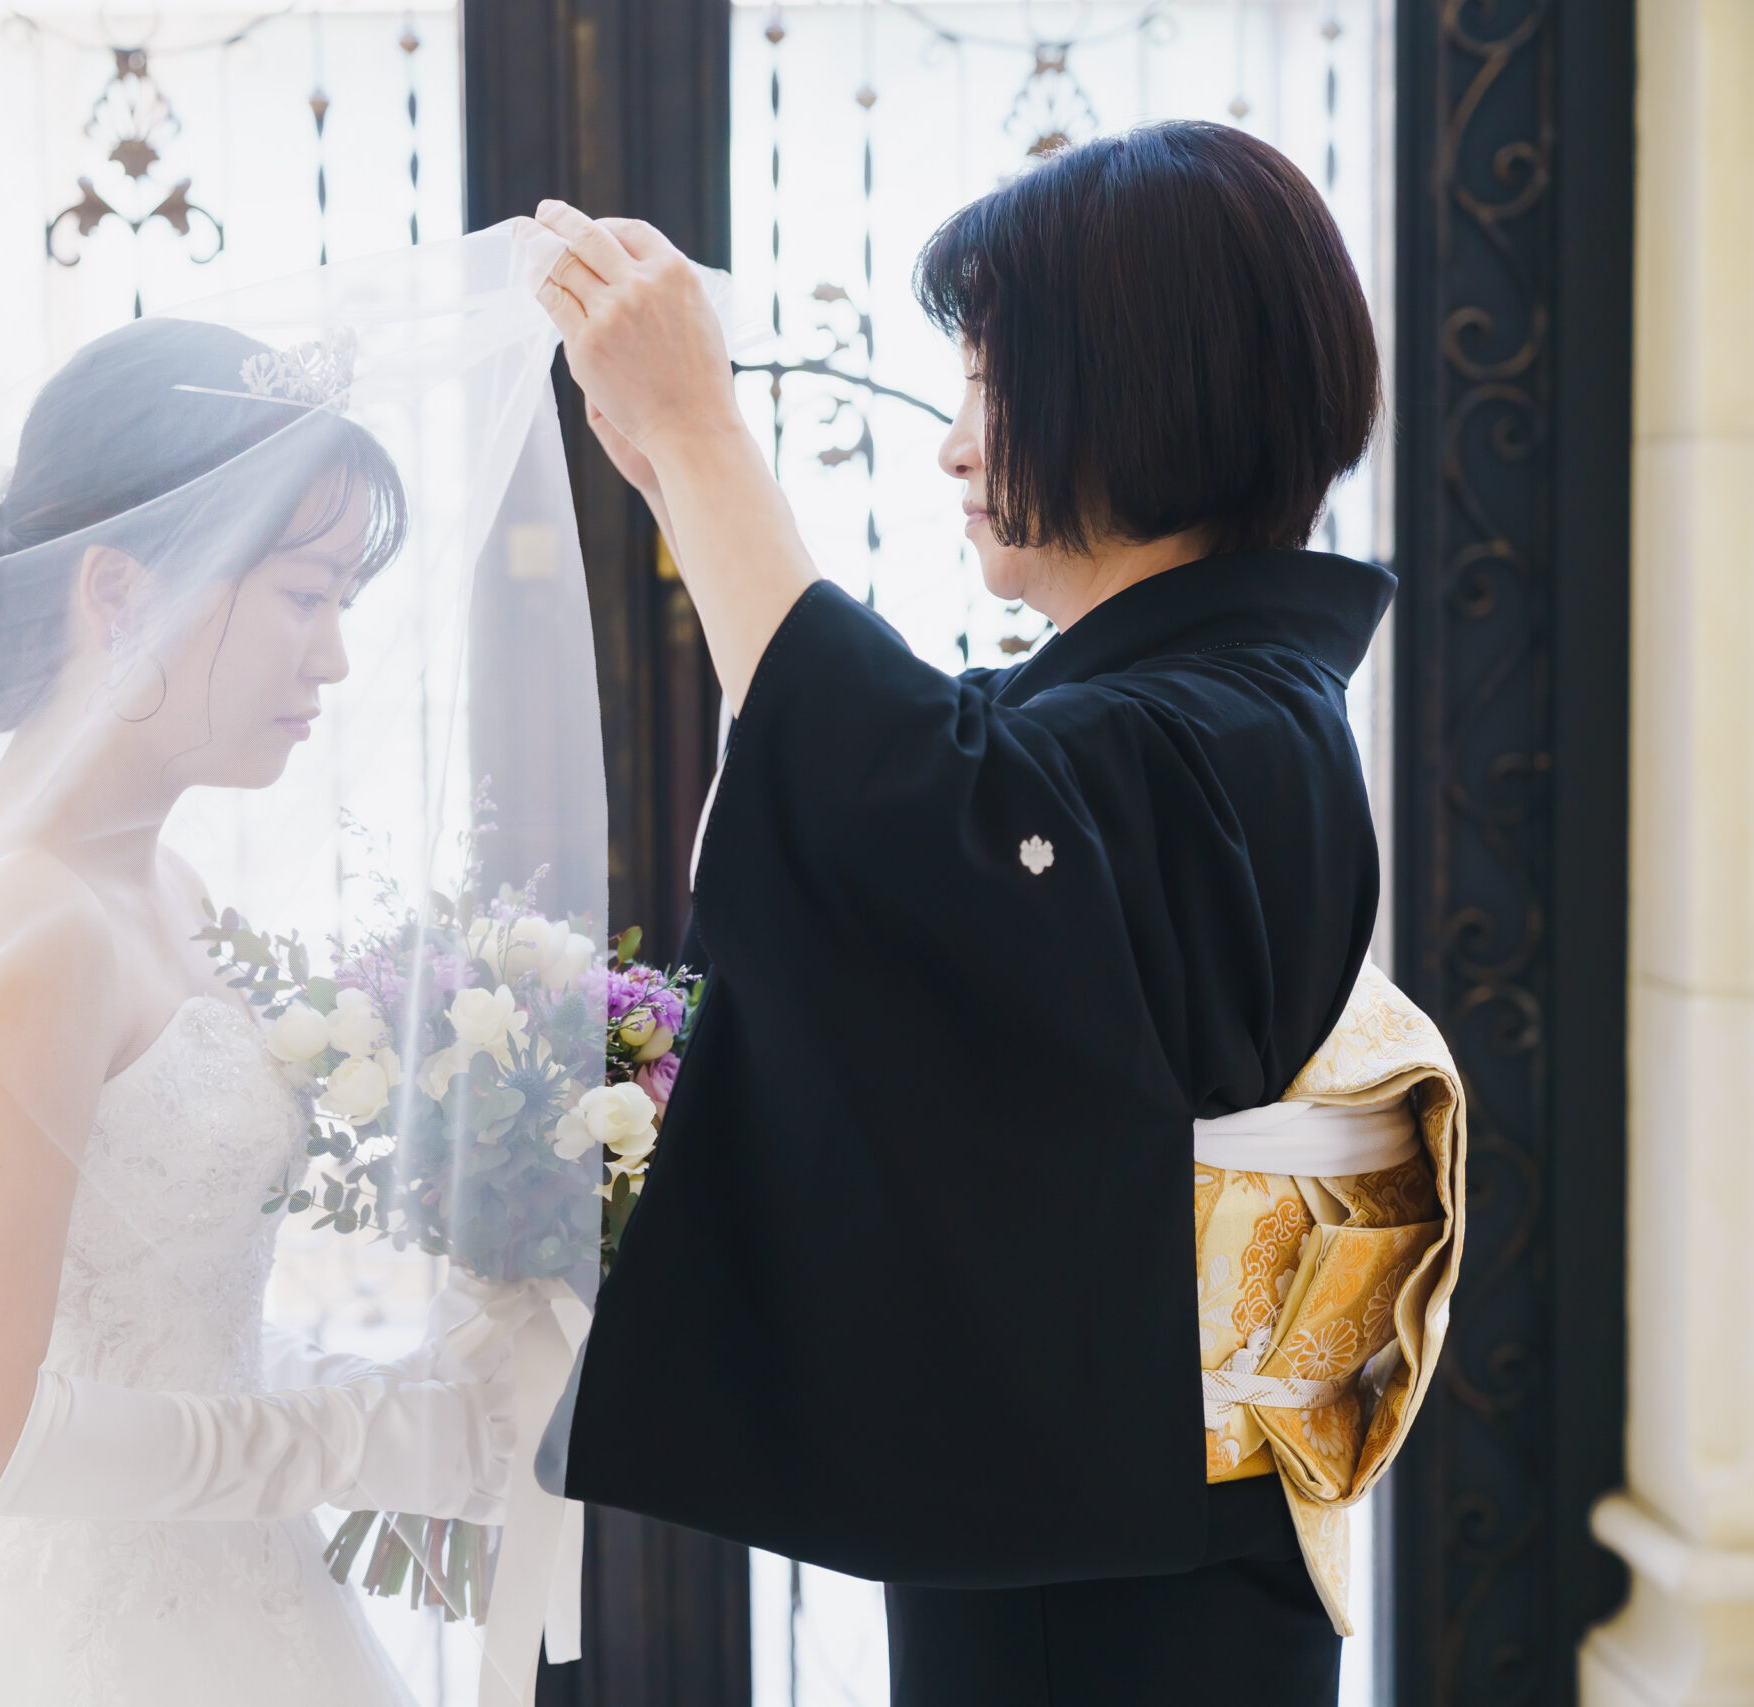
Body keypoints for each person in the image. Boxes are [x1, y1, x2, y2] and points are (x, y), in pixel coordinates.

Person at [522, 122, 1463, 1705]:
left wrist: (704, 438)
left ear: (1134, 390)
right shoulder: (1212, 703)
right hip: (1125, 1537)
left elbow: (909, 818)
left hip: (1111, 1604)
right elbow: (917, 802)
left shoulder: (1212, 720)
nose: (957, 452)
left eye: (987, 388)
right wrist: (680, 465)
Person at [0, 244, 606, 1707]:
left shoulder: (158, 882)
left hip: (226, 1595)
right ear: (118, 592)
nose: (336, 658)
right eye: (303, 595)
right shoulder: (31, 932)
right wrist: (360, 1439)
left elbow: (160, 1314)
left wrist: (410, 1395)